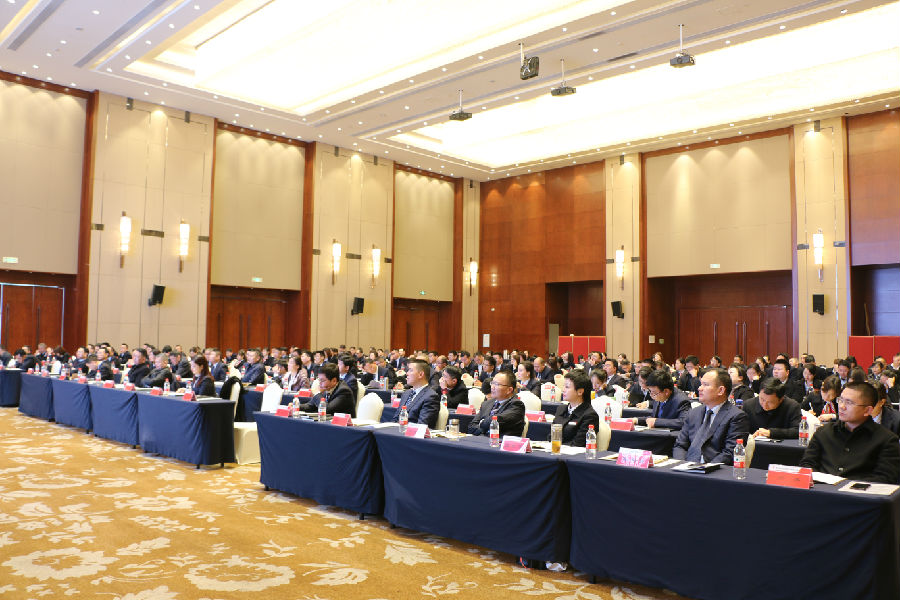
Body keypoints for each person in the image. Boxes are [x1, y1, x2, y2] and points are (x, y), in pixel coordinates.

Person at [799, 382, 900, 483]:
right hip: (821, 489)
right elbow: (807, 464)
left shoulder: (886, 440)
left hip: (860, 492)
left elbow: (885, 478)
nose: (842, 406)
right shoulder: (823, 432)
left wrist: (846, 485)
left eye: (849, 403)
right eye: (841, 400)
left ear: (867, 410)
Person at [673, 368, 749, 465]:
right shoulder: (694, 413)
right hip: (686, 467)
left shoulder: (737, 417)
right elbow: (680, 445)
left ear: (721, 390)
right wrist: (681, 464)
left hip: (714, 470)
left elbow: (730, 453)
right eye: (701, 384)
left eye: (705, 385)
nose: (699, 388)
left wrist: (705, 468)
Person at [467, 369, 525, 438]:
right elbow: (471, 427)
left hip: (501, 443)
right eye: (492, 383)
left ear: (509, 390)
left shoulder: (517, 405)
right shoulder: (486, 404)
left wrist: (481, 423)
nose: (492, 387)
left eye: (497, 384)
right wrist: (484, 429)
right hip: (481, 442)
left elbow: (496, 420)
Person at [552, 370, 599, 447]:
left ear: (580, 392)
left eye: (567, 387)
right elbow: (552, 436)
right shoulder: (561, 409)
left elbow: (578, 444)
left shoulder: (590, 416)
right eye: (564, 386)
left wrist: (557, 446)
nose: (563, 390)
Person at [396, 359, 440, 429]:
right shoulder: (406, 393)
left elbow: (422, 425)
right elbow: (396, 418)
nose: (407, 373)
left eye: (410, 370)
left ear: (420, 374)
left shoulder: (431, 396)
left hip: (412, 433)